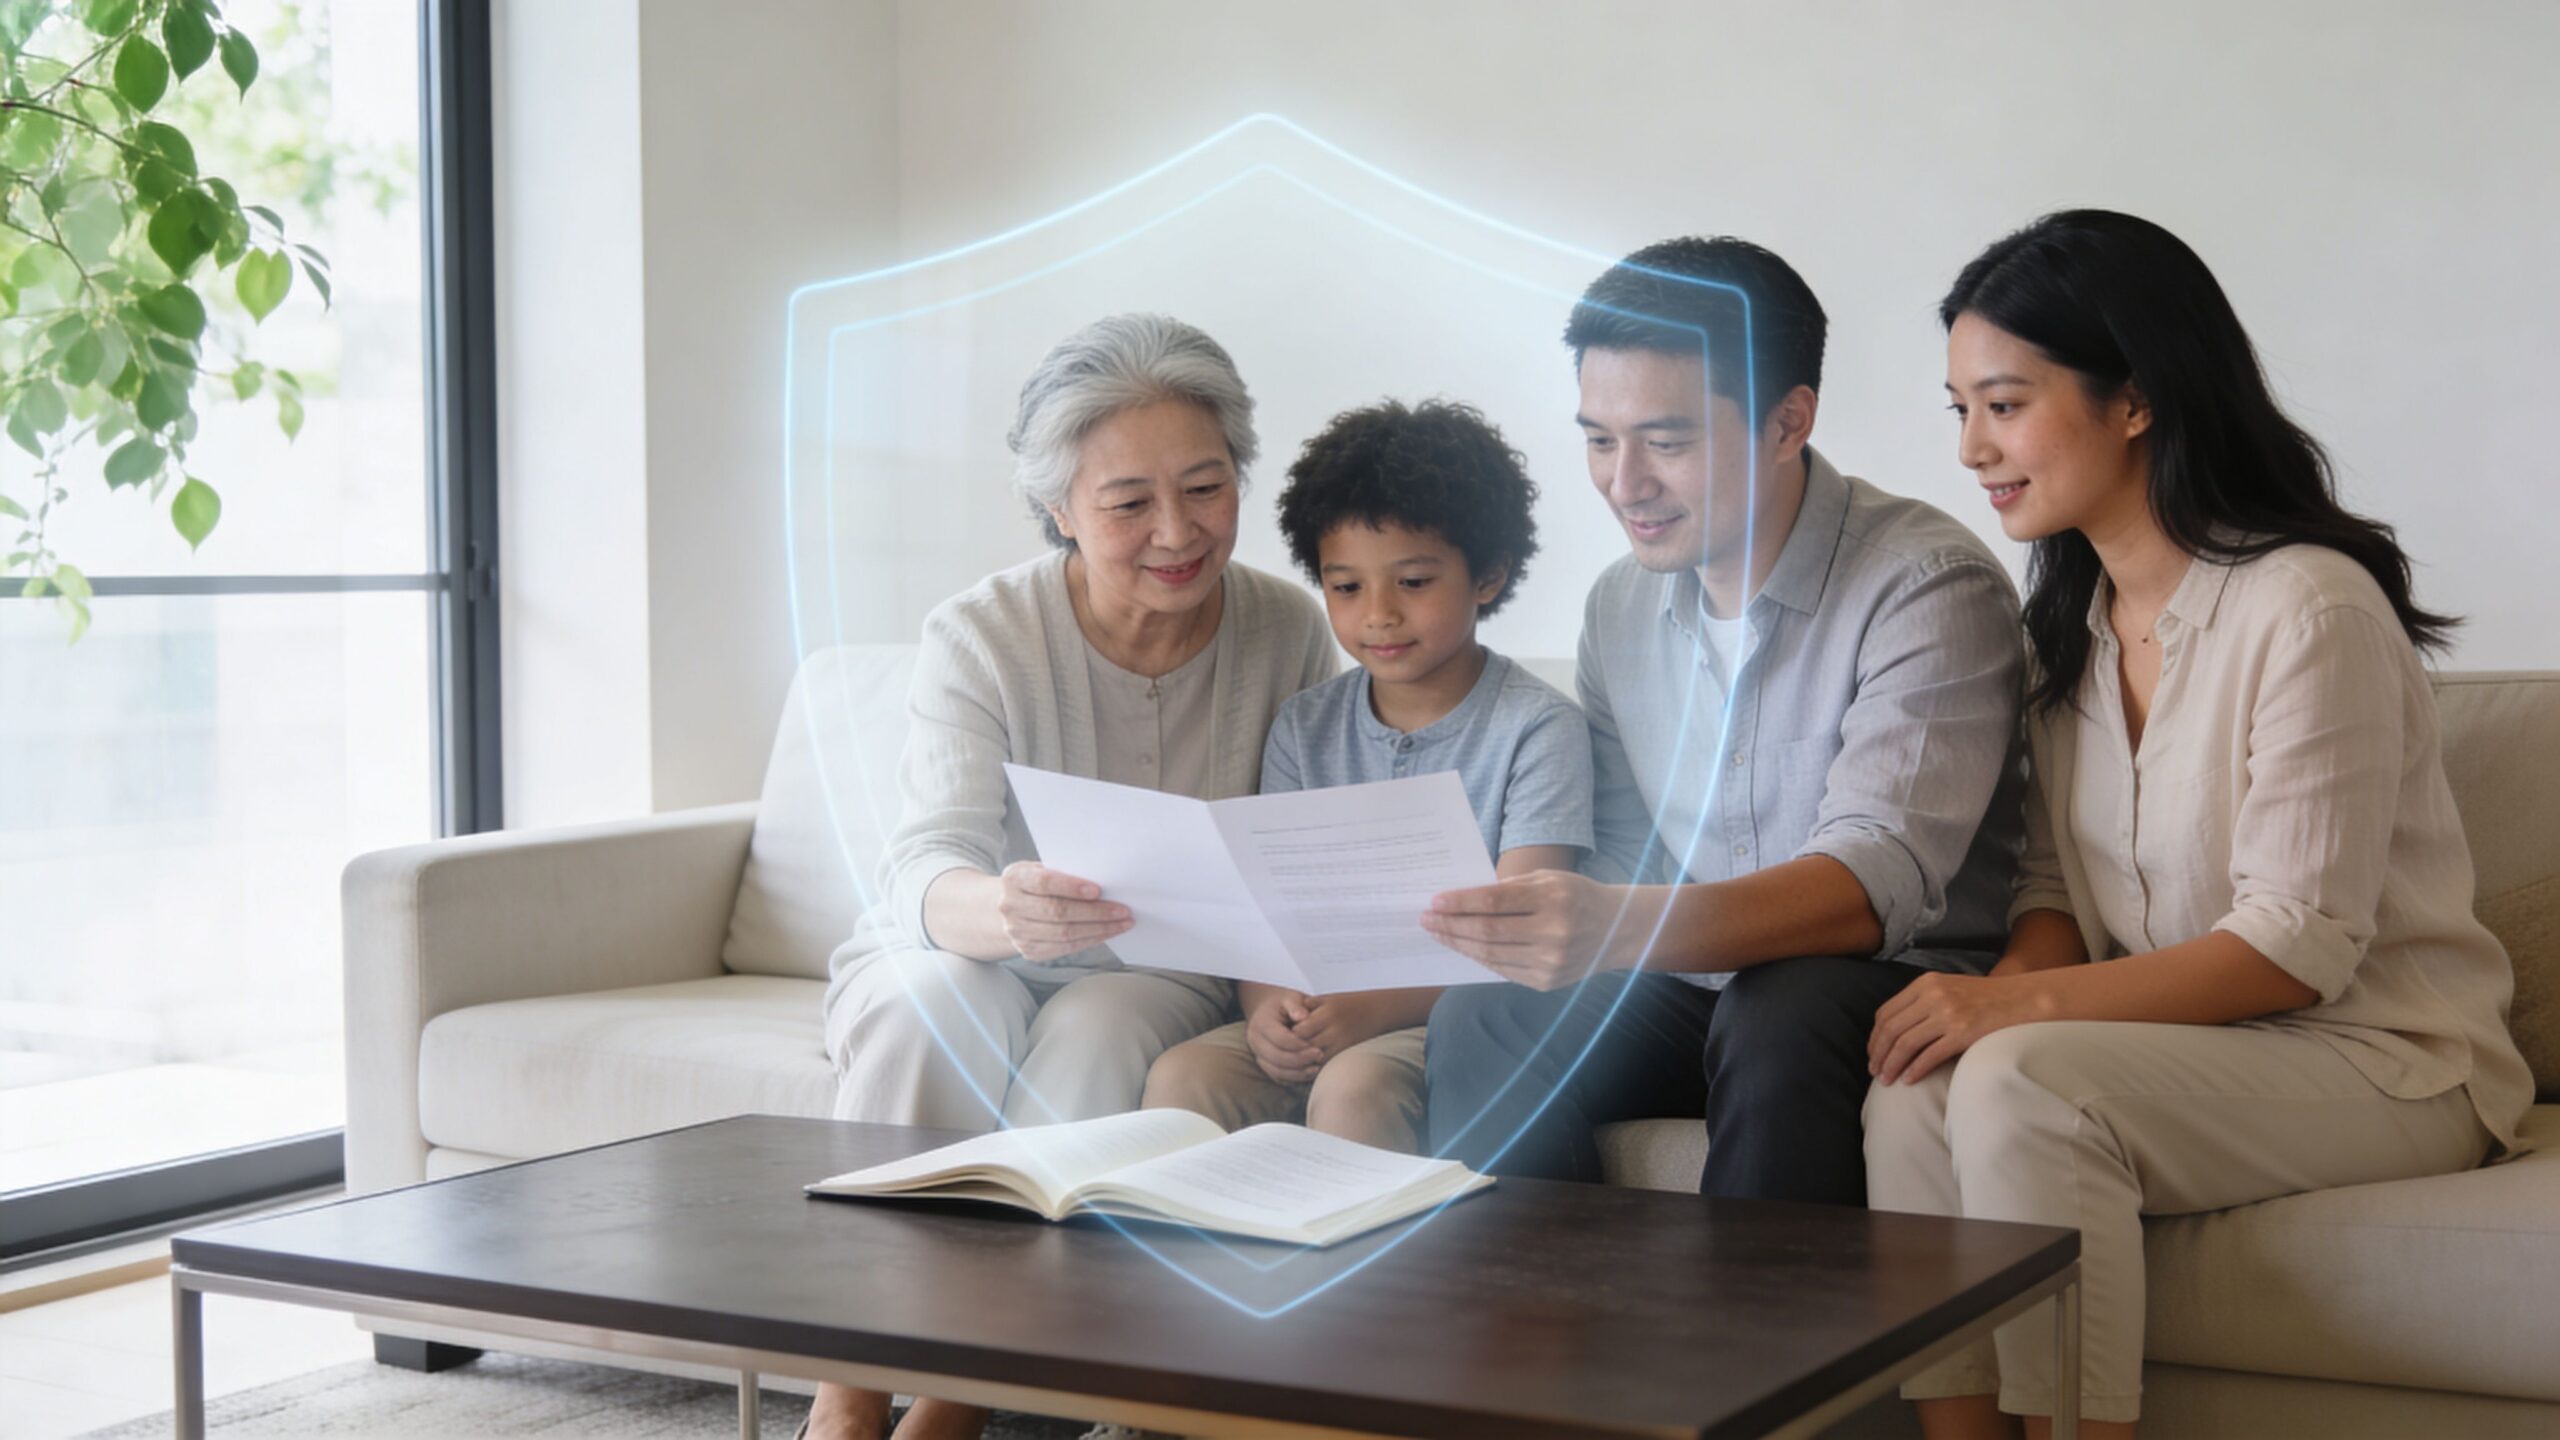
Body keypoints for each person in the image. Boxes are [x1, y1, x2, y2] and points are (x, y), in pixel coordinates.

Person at [1865, 210, 2534, 1438]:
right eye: (1957, 408)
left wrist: (2007, 1010)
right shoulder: (2066, 629)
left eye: (2003, 405)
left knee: (2017, 1075)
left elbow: (2295, 947)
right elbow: (2051, 896)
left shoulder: (2306, 609)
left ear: (2134, 399)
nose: (1970, 448)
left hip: (2382, 1055)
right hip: (2202, 1051)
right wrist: (1985, 999)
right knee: (1915, 1087)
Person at [808, 314, 1335, 1440]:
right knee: (927, 1008)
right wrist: (1002, 909)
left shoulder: (1288, 628)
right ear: (1056, 510)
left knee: (1102, 1025)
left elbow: (1296, 852)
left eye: (1206, 487)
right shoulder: (982, 632)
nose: (1177, 532)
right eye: (1128, 502)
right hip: (976, 939)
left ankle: (954, 1404)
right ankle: (845, 1390)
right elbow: (923, 862)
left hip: (1160, 967)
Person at [1421, 237, 2030, 1202]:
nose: (1625, 484)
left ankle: (1758, 1352)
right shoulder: (1618, 609)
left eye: (1666, 441)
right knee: (1489, 1013)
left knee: (1779, 1002)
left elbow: (1872, 883)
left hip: (1878, 986)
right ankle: (1537, 1340)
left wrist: (1618, 926)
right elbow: (1627, 852)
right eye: (1598, 438)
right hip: (1700, 986)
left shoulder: (1924, 584)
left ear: (1788, 423)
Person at [1142, 398, 1593, 1152]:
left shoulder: (1539, 729)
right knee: (1185, 1078)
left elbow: (1526, 940)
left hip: (1442, 1019)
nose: (1377, 615)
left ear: (1488, 575)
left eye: (1413, 582)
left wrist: (1368, 1012)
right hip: (1323, 1011)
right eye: (1346, 587)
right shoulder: (1303, 725)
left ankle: (1368, 1272)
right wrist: (1269, 1009)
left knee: (1356, 1087)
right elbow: (1266, 911)